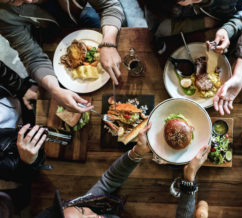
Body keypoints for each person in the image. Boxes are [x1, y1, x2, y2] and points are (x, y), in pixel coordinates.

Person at [35, 122, 211, 218]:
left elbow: (108, 181)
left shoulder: (86, 206)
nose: (93, 217)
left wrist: (137, 153)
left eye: (82, 211)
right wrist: (188, 179)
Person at [0, 0, 126, 113]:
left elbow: (110, 5)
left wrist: (108, 43)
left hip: (82, 11)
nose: (28, 0)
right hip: (50, 28)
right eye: (12, 1)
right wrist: (55, 89)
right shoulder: (3, 14)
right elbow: (32, 56)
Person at [0, 60, 48, 215]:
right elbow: (21, 174)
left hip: (24, 99)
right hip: (33, 146)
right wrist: (28, 161)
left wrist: (21, 88)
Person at [140, 0, 242, 55]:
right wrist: (202, 23)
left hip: (227, 35)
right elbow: (157, 28)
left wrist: (228, 29)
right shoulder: (158, 4)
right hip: (178, 42)